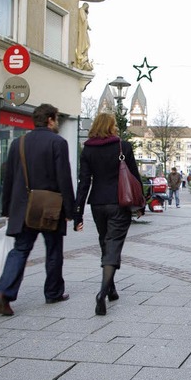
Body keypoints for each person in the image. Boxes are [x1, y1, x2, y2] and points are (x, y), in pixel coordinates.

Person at [0, 103, 76, 316]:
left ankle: (4, 292)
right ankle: (53, 292)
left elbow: (8, 178)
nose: (57, 123)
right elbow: (64, 178)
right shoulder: (58, 142)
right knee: (54, 250)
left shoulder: (18, 143)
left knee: (20, 250)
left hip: (22, 207)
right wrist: (70, 210)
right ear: (49, 119)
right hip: (50, 207)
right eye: (56, 119)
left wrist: (7, 208)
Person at [73, 112, 144, 316]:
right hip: (120, 202)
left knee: (105, 243)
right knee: (113, 245)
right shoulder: (123, 146)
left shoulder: (88, 149)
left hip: (97, 203)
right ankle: (102, 293)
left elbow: (84, 182)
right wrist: (140, 205)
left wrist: (78, 213)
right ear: (112, 126)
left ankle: (111, 289)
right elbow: (133, 176)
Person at [76, 3, 93, 71]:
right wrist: (86, 24)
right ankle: (81, 57)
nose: (87, 9)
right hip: (82, 29)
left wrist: (88, 27)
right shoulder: (81, 10)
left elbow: (85, 20)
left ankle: (83, 56)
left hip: (84, 29)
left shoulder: (83, 11)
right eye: (87, 7)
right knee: (84, 42)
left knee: (87, 43)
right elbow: (83, 19)